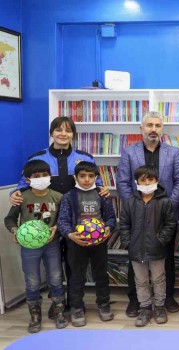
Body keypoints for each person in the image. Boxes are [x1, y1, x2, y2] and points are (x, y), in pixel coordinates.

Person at [9, 117, 108, 317]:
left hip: (76, 218)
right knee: (53, 262)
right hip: (48, 216)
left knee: (72, 261)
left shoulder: (85, 157)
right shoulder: (37, 157)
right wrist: (16, 194)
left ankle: (73, 302)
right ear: (51, 132)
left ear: (73, 134)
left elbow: (95, 181)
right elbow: (24, 184)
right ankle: (58, 301)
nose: (63, 134)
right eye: (58, 130)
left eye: (68, 130)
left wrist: (102, 189)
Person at [117, 111, 179, 316]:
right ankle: (135, 300)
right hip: (137, 212)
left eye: (157, 125)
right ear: (141, 129)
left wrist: (167, 206)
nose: (153, 129)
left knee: (166, 257)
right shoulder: (129, 152)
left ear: (162, 129)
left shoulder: (173, 152)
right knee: (136, 257)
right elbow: (122, 182)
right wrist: (133, 205)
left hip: (164, 215)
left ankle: (167, 297)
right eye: (149, 125)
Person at [4, 160, 67, 333]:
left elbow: (63, 220)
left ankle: (59, 311)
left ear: (50, 175)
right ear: (28, 179)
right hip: (29, 247)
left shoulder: (57, 197)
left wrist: (57, 229)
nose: (41, 178)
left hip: (51, 244)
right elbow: (9, 219)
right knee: (32, 281)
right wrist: (15, 230)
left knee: (55, 277)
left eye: (44, 175)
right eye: (36, 176)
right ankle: (35, 316)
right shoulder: (21, 197)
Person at [56, 161, 117, 327]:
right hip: (76, 244)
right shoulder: (69, 196)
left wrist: (108, 228)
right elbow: (62, 220)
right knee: (76, 276)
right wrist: (70, 235)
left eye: (91, 176)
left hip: (99, 243)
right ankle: (76, 307)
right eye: (82, 176)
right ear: (76, 177)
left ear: (96, 177)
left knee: (101, 274)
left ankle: (103, 304)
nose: (87, 179)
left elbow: (111, 217)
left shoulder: (102, 195)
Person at [119, 165, 177, 327]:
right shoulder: (130, 202)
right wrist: (128, 242)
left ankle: (159, 307)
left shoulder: (164, 201)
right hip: (136, 249)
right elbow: (124, 224)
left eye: (150, 180)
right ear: (136, 182)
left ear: (157, 181)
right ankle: (144, 307)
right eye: (143, 180)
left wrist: (161, 240)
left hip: (157, 249)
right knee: (141, 280)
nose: (146, 184)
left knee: (159, 279)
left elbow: (170, 224)